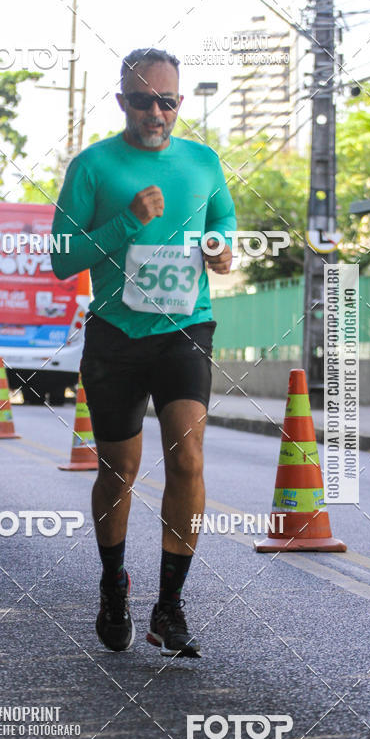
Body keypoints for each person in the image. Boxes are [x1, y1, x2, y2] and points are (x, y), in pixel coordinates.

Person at [51, 48, 235, 658]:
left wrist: (220, 247)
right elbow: (62, 258)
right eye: (142, 100)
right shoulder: (93, 166)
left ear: (179, 103)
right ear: (121, 101)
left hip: (185, 328)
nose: (156, 113)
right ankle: (113, 586)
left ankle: (170, 607)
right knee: (118, 469)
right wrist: (127, 221)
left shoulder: (203, 161)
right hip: (116, 335)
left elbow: (224, 220)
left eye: (168, 102)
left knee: (188, 458)